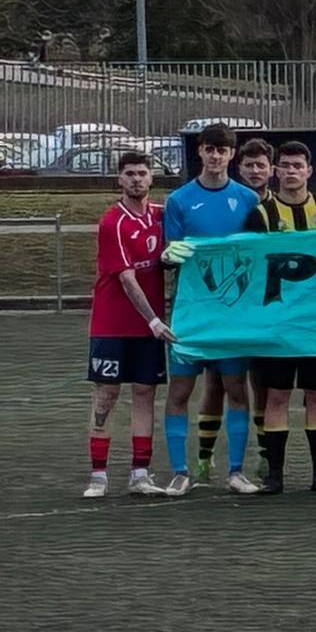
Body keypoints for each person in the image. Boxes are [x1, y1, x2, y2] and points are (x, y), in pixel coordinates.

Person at [159, 123, 260, 496]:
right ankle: (180, 471)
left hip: (232, 313)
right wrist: (168, 257)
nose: (216, 156)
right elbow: (169, 254)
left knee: (236, 387)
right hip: (191, 313)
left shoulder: (248, 200)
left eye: (223, 150)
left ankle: (236, 470)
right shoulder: (179, 201)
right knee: (180, 391)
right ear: (199, 152)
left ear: (232, 155)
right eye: (209, 149)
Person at [246, 143, 316, 494]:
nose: (291, 171)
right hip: (278, 323)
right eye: (284, 166)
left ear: (309, 171)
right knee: (277, 396)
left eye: (297, 166)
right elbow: (251, 266)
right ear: (275, 171)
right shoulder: (262, 214)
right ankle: (274, 475)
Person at [83, 152, 174, 498]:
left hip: (147, 328)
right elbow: (126, 278)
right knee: (105, 395)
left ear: (152, 179)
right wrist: (153, 319)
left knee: (144, 393)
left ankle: (140, 473)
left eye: (142, 173)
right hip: (112, 324)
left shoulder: (161, 216)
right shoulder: (113, 222)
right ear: (119, 180)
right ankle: (98, 475)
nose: (136, 179)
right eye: (130, 174)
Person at [234, 138, 274, 476]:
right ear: (239, 167)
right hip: (236, 306)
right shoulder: (232, 203)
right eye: (249, 165)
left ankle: (265, 452)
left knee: (265, 384)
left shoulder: (281, 207)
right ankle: (207, 458)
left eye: (261, 165)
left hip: (276, 310)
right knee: (223, 383)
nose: (255, 170)